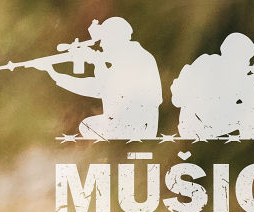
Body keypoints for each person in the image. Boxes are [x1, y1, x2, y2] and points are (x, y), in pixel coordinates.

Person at [25, 15, 164, 140]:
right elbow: (99, 86)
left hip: (135, 126)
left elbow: (101, 87)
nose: (101, 44)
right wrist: (55, 74)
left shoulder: (134, 58)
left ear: (115, 39)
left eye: (104, 40)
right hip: (133, 123)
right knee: (89, 126)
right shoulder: (135, 55)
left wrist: (97, 62)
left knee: (88, 126)